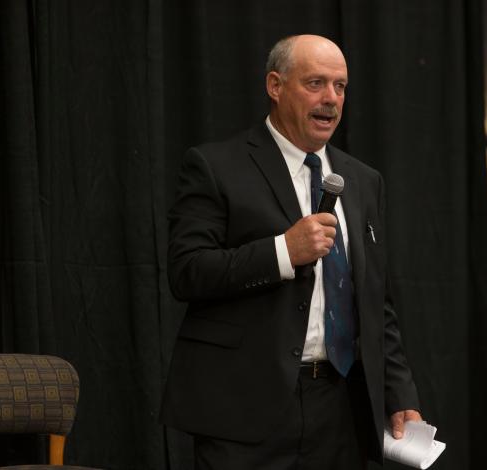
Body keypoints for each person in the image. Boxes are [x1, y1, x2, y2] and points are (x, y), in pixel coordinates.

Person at [159, 34, 421, 469]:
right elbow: (187, 271)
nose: (331, 99)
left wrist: (399, 394)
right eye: (316, 83)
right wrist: (284, 250)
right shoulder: (215, 166)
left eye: (340, 86)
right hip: (245, 407)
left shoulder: (362, 179)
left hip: (340, 407)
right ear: (275, 86)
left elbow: (377, 302)